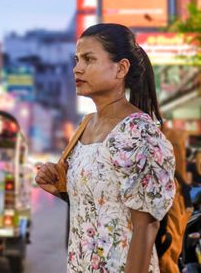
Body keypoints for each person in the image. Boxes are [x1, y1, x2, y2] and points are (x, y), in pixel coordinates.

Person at [35, 23, 176, 273]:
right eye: (77, 59)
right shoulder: (86, 124)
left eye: (89, 59)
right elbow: (102, 204)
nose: (77, 68)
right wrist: (59, 187)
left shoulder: (137, 132)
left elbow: (147, 226)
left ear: (121, 68)